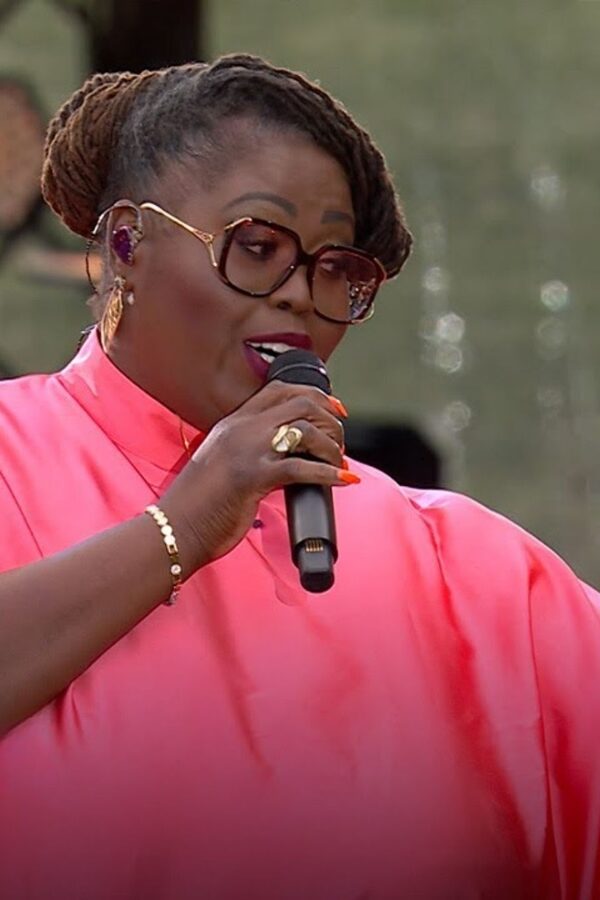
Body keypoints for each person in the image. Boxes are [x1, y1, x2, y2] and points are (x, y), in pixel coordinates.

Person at [0, 54, 598, 900]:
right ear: (128, 242)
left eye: (335, 268)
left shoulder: (473, 570)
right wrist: (181, 529)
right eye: (257, 247)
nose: (300, 297)